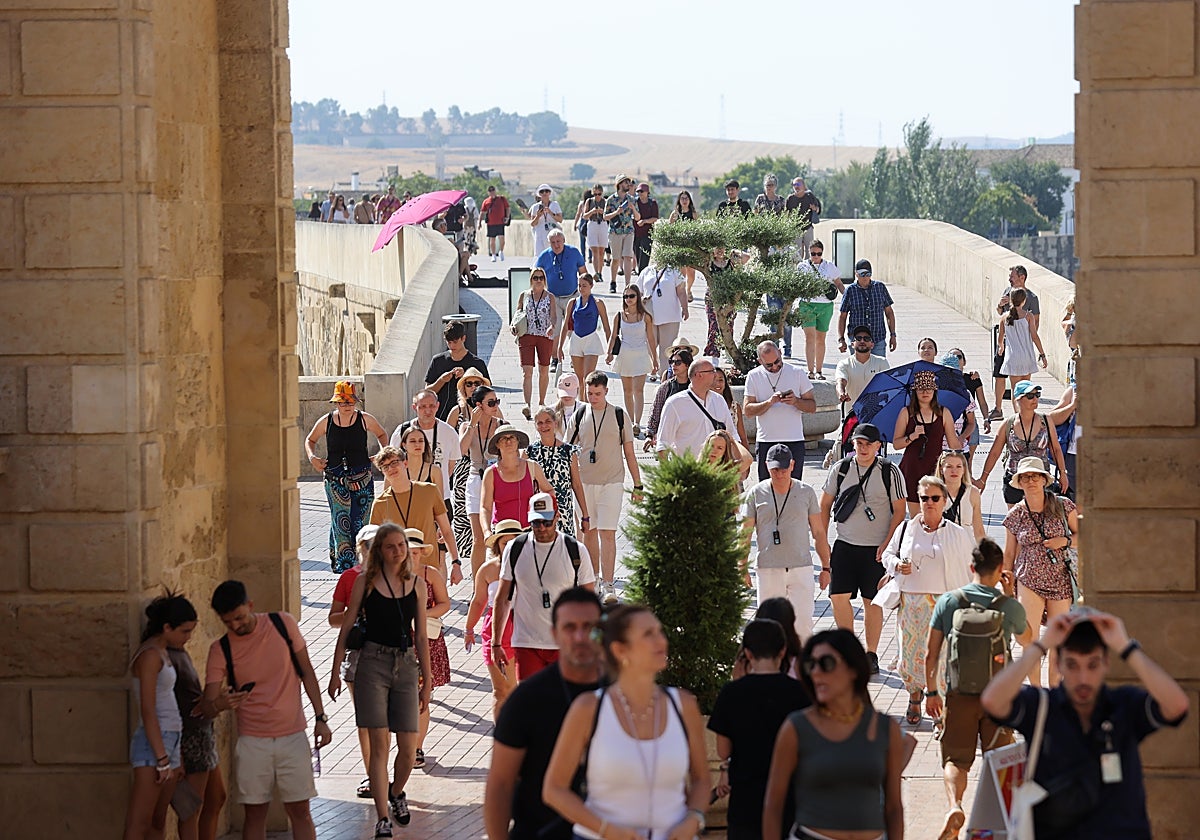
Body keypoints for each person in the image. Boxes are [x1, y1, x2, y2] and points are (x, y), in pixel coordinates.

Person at [981, 610, 1189, 840]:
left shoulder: (1124, 705)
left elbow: (1177, 706)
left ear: (1106, 664)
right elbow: (992, 701)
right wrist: (1042, 644)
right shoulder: (1040, 707)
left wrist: (1125, 646)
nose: (1083, 678)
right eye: (1072, 665)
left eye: (1092, 665)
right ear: (1058, 664)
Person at [543, 605, 712, 840]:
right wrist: (607, 830)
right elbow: (554, 790)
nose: (660, 640)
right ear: (620, 650)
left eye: (659, 631)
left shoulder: (684, 705)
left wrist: (694, 819)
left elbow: (702, 779)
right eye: (648, 634)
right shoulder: (589, 708)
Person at [202, 581, 331, 840]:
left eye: (239, 617)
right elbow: (206, 706)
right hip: (252, 741)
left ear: (250, 606)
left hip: (293, 735)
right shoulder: (220, 649)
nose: (236, 626)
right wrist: (220, 704)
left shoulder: (282, 624)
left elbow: (307, 671)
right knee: (255, 814)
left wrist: (320, 717)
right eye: (228, 622)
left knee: (300, 812)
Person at [326, 524, 432, 838]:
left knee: (408, 746)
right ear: (379, 551)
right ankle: (383, 817)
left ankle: (397, 791)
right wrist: (334, 672)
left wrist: (427, 681)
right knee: (379, 745)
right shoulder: (364, 583)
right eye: (391, 546)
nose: (398, 551)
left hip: (405, 663)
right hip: (371, 662)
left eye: (401, 545)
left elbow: (422, 637)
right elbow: (345, 629)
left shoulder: (417, 585)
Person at [924, 537, 1032, 840]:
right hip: (999, 698)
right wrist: (1009, 596)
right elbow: (1028, 640)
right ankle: (1003, 828)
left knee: (955, 760)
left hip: (959, 696)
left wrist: (932, 692)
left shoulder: (950, 601)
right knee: (1000, 763)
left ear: (971, 567)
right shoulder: (1008, 606)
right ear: (1000, 569)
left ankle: (955, 806)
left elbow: (930, 654)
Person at [762, 629, 905, 840]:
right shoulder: (796, 727)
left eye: (826, 663)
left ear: (853, 669)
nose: (817, 672)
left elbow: (894, 808)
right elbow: (774, 804)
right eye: (811, 665)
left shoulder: (886, 728)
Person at [486, 588, 604, 840]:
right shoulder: (526, 699)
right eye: (570, 627)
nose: (580, 637)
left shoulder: (622, 693)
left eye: (590, 627)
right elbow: (500, 783)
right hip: (538, 831)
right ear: (554, 634)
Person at [881, 475, 974, 726]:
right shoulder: (906, 529)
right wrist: (897, 564)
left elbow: (971, 567)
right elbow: (887, 555)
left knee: (942, 657)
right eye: (924, 498)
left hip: (944, 604)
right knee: (910, 656)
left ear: (944, 501)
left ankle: (939, 707)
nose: (929, 503)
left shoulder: (957, 533)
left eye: (935, 498)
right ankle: (914, 696)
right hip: (911, 604)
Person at [711, 620, 811, 840]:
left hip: (746, 801)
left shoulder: (731, 693)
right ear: (783, 650)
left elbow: (723, 750)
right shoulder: (799, 692)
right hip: (790, 799)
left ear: (747, 652)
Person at [819, 423, 906, 673]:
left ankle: (871, 654)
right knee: (837, 597)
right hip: (845, 543)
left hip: (875, 549)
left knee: (872, 602)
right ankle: (849, 651)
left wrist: (888, 544)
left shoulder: (890, 471)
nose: (863, 448)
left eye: (868, 443)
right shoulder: (841, 468)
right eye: (858, 443)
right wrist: (822, 540)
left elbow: (899, 510)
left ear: (879, 446)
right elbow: (824, 504)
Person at [492, 492, 596, 680]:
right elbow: (502, 598)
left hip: (565, 644)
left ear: (557, 517)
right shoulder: (515, 548)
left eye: (547, 522)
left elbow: (589, 602)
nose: (541, 528)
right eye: (535, 523)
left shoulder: (575, 550)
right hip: (526, 643)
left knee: (563, 705)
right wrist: (496, 643)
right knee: (531, 706)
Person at [124, 592, 197, 840]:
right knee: (139, 822)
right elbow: (148, 708)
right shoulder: (150, 655)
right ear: (167, 627)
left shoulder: (164, 651)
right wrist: (162, 759)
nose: (188, 638)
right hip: (153, 744)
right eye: (184, 632)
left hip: (169, 740)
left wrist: (174, 757)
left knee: (158, 818)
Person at [566, 371, 644, 603]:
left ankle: (609, 584)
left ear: (606, 391)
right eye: (589, 393)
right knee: (589, 533)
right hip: (584, 483)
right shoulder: (579, 414)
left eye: (597, 393)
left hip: (612, 482)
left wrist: (638, 484)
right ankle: (593, 581)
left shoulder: (619, 415)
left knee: (607, 533)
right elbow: (567, 450)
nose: (593, 398)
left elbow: (629, 452)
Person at [1002, 456, 1080, 686]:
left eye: (1035, 476)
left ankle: (1055, 694)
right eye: (1026, 477)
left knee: (1058, 641)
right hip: (1029, 580)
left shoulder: (1064, 505)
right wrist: (1006, 589)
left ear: (1044, 480)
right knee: (1031, 641)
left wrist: (1063, 541)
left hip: (1061, 581)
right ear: (1020, 483)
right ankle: (1036, 693)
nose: (1031, 481)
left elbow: (1082, 536)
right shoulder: (1015, 514)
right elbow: (1009, 555)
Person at [743, 445, 830, 642]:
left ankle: (800, 667)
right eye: (775, 470)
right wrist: (742, 566)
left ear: (792, 465)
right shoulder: (756, 493)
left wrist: (826, 567)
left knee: (803, 624)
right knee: (768, 626)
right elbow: (745, 534)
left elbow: (818, 532)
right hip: (768, 569)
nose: (779, 474)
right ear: (766, 466)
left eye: (783, 469)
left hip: (801, 567)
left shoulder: (806, 492)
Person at [305, 380, 389, 572]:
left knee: (361, 519)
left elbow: (382, 434)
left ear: (355, 402)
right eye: (342, 402)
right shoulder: (326, 421)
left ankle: (364, 562)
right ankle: (344, 565)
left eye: (350, 402)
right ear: (336, 403)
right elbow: (310, 439)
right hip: (335, 478)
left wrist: (381, 454)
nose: (346, 406)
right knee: (340, 519)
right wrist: (313, 458)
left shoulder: (364, 419)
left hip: (362, 477)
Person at [329, 524, 378, 801]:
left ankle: (380, 772)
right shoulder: (349, 578)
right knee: (366, 719)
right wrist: (354, 613)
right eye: (370, 546)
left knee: (381, 720)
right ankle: (373, 774)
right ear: (361, 548)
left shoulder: (396, 575)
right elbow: (333, 619)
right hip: (358, 654)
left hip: (391, 653)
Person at [973, 380, 1069, 504]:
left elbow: (1056, 448)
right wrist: (983, 479)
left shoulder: (1045, 420)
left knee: (1042, 520)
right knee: (1015, 521)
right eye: (1030, 396)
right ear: (1018, 399)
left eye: (1037, 395)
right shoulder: (1008, 424)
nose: (1035, 399)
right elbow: (994, 453)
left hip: (1040, 480)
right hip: (1015, 480)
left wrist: (1062, 473)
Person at [465, 521, 524, 719]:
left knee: (520, 688)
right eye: (503, 542)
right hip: (496, 629)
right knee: (501, 690)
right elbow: (478, 601)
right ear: (497, 544)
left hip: (525, 625)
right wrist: (468, 629)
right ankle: (503, 739)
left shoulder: (530, 565)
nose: (508, 546)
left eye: (513, 542)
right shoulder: (487, 570)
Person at [368, 446, 457, 572]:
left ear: (405, 463)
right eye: (385, 467)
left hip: (428, 569)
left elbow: (446, 530)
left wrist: (456, 562)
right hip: (397, 573)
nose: (391, 469)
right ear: (382, 472)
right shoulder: (380, 503)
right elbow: (374, 543)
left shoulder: (429, 491)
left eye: (394, 463)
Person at [406, 529, 450, 771]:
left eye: (415, 552)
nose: (412, 557)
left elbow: (445, 603)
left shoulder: (430, 574)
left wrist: (423, 615)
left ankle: (417, 747)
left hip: (426, 641)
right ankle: (407, 744)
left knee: (422, 696)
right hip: (401, 642)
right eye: (408, 552)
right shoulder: (391, 576)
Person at [743, 340, 815, 481]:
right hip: (766, 440)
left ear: (781, 353)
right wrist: (769, 402)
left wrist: (796, 401)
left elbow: (812, 406)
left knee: (794, 488)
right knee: (766, 488)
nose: (775, 367)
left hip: (794, 440)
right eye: (769, 365)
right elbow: (748, 410)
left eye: (777, 361)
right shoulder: (753, 376)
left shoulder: (797, 372)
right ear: (760, 361)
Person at [892, 370, 962, 516]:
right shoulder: (906, 412)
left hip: (935, 468)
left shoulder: (943, 413)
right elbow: (896, 444)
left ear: (934, 391)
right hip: (912, 469)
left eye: (929, 388)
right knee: (916, 517)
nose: (925, 392)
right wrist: (912, 436)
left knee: (935, 514)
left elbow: (953, 443)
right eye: (921, 388)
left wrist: (965, 437)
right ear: (915, 391)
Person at [459, 383, 506, 578]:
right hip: (475, 479)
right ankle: (477, 587)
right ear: (478, 405)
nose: (495, 405)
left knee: (502, 535)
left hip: (497, 480)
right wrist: (472, 424)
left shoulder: (501, 425)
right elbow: (461, 450)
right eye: (491, 402)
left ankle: (502, 580)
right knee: (478, 539)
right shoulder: (466, 426)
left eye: (497, 401)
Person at [480, 423, 553, 540]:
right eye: (504, 438)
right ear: (497, 444)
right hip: (502, 535)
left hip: (530, 532)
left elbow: (549, 490)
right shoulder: (490, 473)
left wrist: (547, 516)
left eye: (512, 437)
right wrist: (486, 531)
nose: (508, 441)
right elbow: (485, 507)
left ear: (518, 442)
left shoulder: (532, 467)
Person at [527, 406, 589, 538]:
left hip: (563, 512)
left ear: (555, 423)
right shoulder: (530, 452)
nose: (544, 426)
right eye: (540, 423)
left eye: (548, 421)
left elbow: (576, 484)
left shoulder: (568, 451)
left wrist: (585, 515)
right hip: (539, 512)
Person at [989, 265, 1041, 421]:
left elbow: (1035, 323)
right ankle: (998, 409)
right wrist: (999, 305)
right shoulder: (1007, 292)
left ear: (1022, 277)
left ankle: (1021, 413)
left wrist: (1026, 339)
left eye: (1012, 276)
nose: (1009, 279)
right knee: (999, 375)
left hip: (1019, 345)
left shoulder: (1032, 298)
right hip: (1005, 343)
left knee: (1020, 384)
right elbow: (1000, 313)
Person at [656, 358, 736, 459]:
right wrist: (669, 473)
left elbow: (732, 436)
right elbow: (663, 445)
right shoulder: (675, 403)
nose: (715, 375)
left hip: (717, 471)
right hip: (687, 470)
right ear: (699, 375)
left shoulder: (719, 400)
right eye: (712, 372)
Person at [606, 284, 658, 436]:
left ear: (637, 297)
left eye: (631, 296)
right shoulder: (619, 315)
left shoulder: (645, 317)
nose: (628, 299)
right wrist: (609, 353)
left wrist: (655, 359)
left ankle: (637, 422)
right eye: (626, 296)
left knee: (639, 390)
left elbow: (651, 339)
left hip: (641, 354)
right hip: (625, 354)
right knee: (627, 390)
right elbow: (613, 336)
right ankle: (630, 420)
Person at [796, 240, 844, 379]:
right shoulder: (803, 266)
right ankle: (810, 371)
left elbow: (839, 283)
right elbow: (796, 285)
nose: (816, 256)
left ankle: (819, 371)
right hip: (807, 304)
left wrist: (847, 297)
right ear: (809, 253)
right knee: (810, 337)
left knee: (821, 339)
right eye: (813, 254)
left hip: (825, 305)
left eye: (818, 254)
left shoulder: (829, 266)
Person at [513, 267, 558, 419]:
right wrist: (514, 325)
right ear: (531, 280)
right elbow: (518, 313)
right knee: (527, 371)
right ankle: (527, 404)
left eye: (541, 278)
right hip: (526, 335)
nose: (538, 280)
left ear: (545, 280)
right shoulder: (524, 295)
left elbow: (554, 316)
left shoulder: (550, 296)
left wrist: (552, 326)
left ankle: (541, 402)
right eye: (535, 278)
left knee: (544, 370)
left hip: (544, 336)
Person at [425, 320, 491, 422]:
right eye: (449, 342)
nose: (452, 346)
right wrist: (441, 380)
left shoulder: (477, 363)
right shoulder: (438, 361)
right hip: (442, 416)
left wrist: (467, 377)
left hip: (470, 416)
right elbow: (427, 392)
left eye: (455, 342)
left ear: (463, 338)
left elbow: (487, 392)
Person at [997, 288, 1048, 413]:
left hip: (1012, 357)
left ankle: (1017, 415)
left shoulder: (1004, 317)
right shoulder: (1028, 316)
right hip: (1026, 356)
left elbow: (1000, 339)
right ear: (1024, 301)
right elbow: (1034, 336)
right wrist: (1042, 354)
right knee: (1026, 387)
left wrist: (1001, 347)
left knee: (1016, 390)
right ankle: (1025, 413)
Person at [635, 262, 689, 374]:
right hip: (649, 315)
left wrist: (685, 308)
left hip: (670, 316)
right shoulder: (646, 271)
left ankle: (664, 374)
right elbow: (638, 292)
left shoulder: (674, 271)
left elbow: (681, 291)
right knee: (650, 346)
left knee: (667, 348)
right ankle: (652, 370)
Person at [837, 259, 897, 358]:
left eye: (868, 274)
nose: (865, 277)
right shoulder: (850, 291)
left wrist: (893, 335)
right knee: (857, 370)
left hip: (877, 338)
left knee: (878, 371)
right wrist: (841, 339)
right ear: (856, 274)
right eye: (862, 274)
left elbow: (889, 312)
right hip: (857, 340)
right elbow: (842, 316)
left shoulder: (880, 287)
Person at [643, 343, 695, 451]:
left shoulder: (696, 387)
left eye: (678, 362)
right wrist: (649, 435)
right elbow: (656, 411)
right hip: (669, 435)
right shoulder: (665, 387)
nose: (673, 365)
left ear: (687, 365)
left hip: (692, 435)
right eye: (671, 362)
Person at [703, 246, 750, 359]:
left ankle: (729, 353)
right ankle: (713, 354)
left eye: (722, 248)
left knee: (729, 325)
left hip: (729, 299)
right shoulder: (709, 262)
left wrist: (733, 252)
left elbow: (747, 257)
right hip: (713, 299)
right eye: (716, 248)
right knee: (714, 326)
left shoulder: (731, 261)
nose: (719, 251)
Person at [565, 274, 611, 380]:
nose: (581, 288)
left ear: (591, 285)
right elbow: (566, 326)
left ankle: (587, 397)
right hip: (576, 340)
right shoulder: (573, 302)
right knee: (579, 378)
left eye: (584, 285)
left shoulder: (598, 303)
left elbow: (606, 327)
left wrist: (610, 350)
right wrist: (559, 347)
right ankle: (581, 397)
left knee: (588, 377)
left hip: (591, 340)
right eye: (579, 285)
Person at [935, 450, 985, 541]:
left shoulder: (973, 492)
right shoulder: (933, 492)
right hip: (939, 546)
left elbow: (979, 530)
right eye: (949, 466)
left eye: (958, 467)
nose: (954, 471)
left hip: (965, 546)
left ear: (964, 470)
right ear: (941, 469)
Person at [834, 326, 889, 407]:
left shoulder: (882, 362)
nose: (862, 341)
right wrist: (841, 393)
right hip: (851, 415)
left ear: (872, 345)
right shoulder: (844, 364)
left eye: (866, 338)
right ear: (852, 344)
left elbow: (887, 384)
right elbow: (840, 382)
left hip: (874, 413)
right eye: (858, 338)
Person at [942, 347, 986, 446]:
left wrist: (986, 418)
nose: (956, 359)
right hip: (942, 440)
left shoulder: (970, 383)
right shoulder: (937, 389)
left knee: (967, 460)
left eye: (959, 356)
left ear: (964, 361)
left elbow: (982, 402)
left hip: (967, 423)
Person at [712, 366, 752, 471]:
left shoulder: (734, 407)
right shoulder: (704, 405)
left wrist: (746, 464)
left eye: (721, 380)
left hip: (732, 456)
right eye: (714, 380)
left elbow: (742, 436)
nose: (717, 384)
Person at [604, 175, 639, 293]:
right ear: (619, 184)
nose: (628, 185)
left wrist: (633, 208)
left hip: (628, 231)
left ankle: (628, 285)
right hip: (615, 232)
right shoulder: (611, 199)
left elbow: (638, 217)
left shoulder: (632, 199)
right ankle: (613, 282)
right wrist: (616, 212)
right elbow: (605, 216)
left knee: (628, 257)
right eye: (626, 183)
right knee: (616, 259)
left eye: (629, 183)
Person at [1048, 382, 1079, 500]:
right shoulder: (1074, 390)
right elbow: (1051, 418)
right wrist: (1072, 406)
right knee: (1074, 498)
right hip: (1075, 455)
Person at [668, 190, 699, 299]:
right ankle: (682, 291)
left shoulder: (693, 214)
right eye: (682, 198)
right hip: (679, 246)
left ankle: (688, 289)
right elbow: (669, 230)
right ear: (679, 200)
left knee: (691, 271)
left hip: (691, 246)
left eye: (686, 198)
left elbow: (698, 229)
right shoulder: (675, 214)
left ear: (690, 200)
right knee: (681, 271)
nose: (684, 200)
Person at [785, 177, 822, 251]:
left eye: (798, 184)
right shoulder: (790, 199)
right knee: (796, 252)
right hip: (795, 229)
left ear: (804, 186)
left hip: (808, 227)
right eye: (794, 184)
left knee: (810, 251)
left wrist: (814, 208)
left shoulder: (809, 196)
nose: (796, 186)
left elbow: (818, 210)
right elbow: (785, 214)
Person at [632, 182, 660, 273]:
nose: (640, 193)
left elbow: (655, 218)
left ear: (647, 192)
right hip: (635, 234)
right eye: (638, 191)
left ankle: (641, 274)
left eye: (642, 191)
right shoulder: (635, 202)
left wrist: (645, 221)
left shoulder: (652, 203)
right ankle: (641, 273)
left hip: (647, 234)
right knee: (638, 255)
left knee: (645, 257)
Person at [582, 183, 609, 276]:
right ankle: (596, 272)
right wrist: (592, 211)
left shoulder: (605, 202)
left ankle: (600, 272)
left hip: (602, 224)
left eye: (599, 194)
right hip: (592, 224)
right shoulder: (589, 201)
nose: (597, 196)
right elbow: (584, 216)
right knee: (594, 251)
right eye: (595, 194)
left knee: (601, 251)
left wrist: (602, 212)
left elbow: (609, 216)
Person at [481, 184, 510, 262]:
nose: (492, 192)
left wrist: (507, 217)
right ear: (488, 193)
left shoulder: (501, 199)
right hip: (491, 223)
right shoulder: (486, 201)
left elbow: (507, 208)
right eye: (490, 191)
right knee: (492, 239)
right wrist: (479, 222)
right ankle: (493, 254)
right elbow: (482, 212)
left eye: (493, 191)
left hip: (500, 222)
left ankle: (501, 251)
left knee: (502, 238)